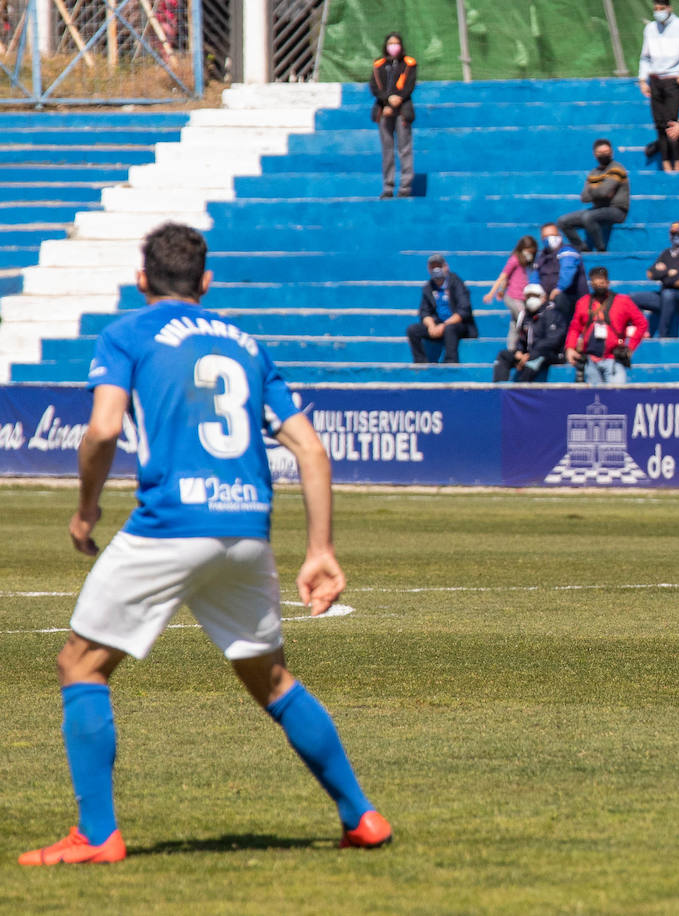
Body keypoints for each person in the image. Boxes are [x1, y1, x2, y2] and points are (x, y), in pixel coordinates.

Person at [19, 224, 391, 866]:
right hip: (246, 529)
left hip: (169, 523)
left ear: (141, 282)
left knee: (80, 665)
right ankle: (361, 815)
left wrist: (85, 510)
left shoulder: (127, 334)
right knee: (272, 680)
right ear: (207, 283)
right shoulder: (247, 344)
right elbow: (311, 449)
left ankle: (98, 835)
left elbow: (104, 428)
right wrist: (320, 550)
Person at [638, 0, 679, 172]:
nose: (659, 12)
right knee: (659, 123)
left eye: (662, 8)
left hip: (675, 78)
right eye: (655, 9)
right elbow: (645, 57)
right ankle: (666, 163)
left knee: (671, 122)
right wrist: (642, 80)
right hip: (655, 79)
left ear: (669, 8)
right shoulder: (650, 29)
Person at [565, 267, 649, 386]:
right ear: (591, 283)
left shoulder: (622, 301)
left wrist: (631, 347)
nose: (599, 286)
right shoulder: (583, 302)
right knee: (595, 398)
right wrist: (570, 347)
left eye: (602, 283)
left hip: (614, 359)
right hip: (590, 359)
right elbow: (575, 327)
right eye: (596, 283)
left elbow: (642, 323)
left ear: (608, 282)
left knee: (616, 397)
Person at [632, 221, 679, 338]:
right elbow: (650, 274)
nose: (676, 237)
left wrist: (663, 272)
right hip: (666, 297)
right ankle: (640, 330)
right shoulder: (666, 253)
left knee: (668, 294)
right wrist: (670, 272)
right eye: (673, 234)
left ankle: (664, 335)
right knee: (632, 298)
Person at [556, 139, 629, 253]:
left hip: (617, 210)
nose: (604, 155)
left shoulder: (617, 168)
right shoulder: (593, 173)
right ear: (595, 155)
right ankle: (582, 247)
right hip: (597, 210)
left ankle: (601, 248)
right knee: (563, 221)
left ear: (612, 152)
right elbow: (584, 197)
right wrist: (602, 192)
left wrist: (595, 190)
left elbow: (604, 192)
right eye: (600, 153)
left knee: (588, 217)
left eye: (606, 152)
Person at [406, 255, 477, 364]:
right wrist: (431, 326)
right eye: (433, 267)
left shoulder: (456, 282)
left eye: (439, 266)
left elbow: (464, 310)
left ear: (446, 267)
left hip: (457, 325)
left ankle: (450, 362)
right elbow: (424, 312)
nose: (436, 270)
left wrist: (444, 326)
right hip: (437, 325)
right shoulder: (428, 287)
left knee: (450, 329)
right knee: (412, 330)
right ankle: (421, 363)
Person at [370, 32, 416, 199]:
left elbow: (409, 86)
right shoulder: (379, 64)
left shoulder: (409, 63)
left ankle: (405, 187)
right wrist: (387, 102)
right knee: (387, 150)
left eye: (396, 43)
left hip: (402, 111)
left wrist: (398, 99)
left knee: (404, 149)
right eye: (391, 43)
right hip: (384, 111)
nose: (393, 46)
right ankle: (388, 187)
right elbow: (375, 88)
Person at [493, 283, 568, 383]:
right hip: (528, 354)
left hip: (549, 354)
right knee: (503, 356)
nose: (531, 299)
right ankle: (498, 389)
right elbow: (522, 339)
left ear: (543, 297)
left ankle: (522, 388)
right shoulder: (525, 316)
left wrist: (531, 355)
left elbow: (553, 340)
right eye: (528, 296)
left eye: (535, 296)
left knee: (536, 359)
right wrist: (519, 351)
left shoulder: (552, 314)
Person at [484, 236, 538, 349]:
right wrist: (492, 293)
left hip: (522, 298)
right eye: (528, 251)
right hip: (514, 297)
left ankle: (512, 348)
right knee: (523, 318)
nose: (530, 255)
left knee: (514, 324)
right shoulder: (514, 259)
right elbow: (503, 276)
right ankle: (527, 346)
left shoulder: (529, 264)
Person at [534, 222, 588, 320]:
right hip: (548, 299)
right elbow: (535, 277)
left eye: (553, 235)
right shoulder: (542, 256)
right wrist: (537, 292)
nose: (550, 239)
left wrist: (559, 288)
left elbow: (568, 271)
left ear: (560, 236)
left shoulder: (567, 251)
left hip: (571, 299)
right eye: (546, 236)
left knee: (559, 298)